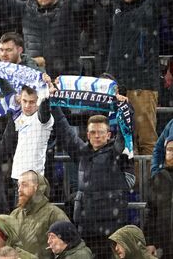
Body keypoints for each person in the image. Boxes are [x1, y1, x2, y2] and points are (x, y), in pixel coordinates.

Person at [96, 0, 173, 155]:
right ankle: (131, 185)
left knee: (146, 139)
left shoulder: (152, 4)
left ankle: (150, 186)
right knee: (125, 141)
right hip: (119, 85)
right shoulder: (118, 6)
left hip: (143, 84)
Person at [51, 110, 134, 259]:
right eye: (93, 132)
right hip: (85, 230)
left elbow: (124, 132)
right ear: (87, 135)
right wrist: (54, 105)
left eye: (101, 132)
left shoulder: (116, 153)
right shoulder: (81, 153)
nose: (97, 136)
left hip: (110, 232)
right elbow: (65, 131)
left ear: (108, 135)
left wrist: (125, 109)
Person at [9, 171, 70, 259]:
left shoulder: (54, 214)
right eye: (18, 185)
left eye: (24, 185)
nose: (19, 190)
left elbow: (69, 248)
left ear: (37, 188)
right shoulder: (15, 214)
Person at [145, 133, 173, 258]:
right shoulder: (159, 177)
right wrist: (150, 242)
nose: (172, 153)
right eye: (169, 150)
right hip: (165, 244)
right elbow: (151, 212)